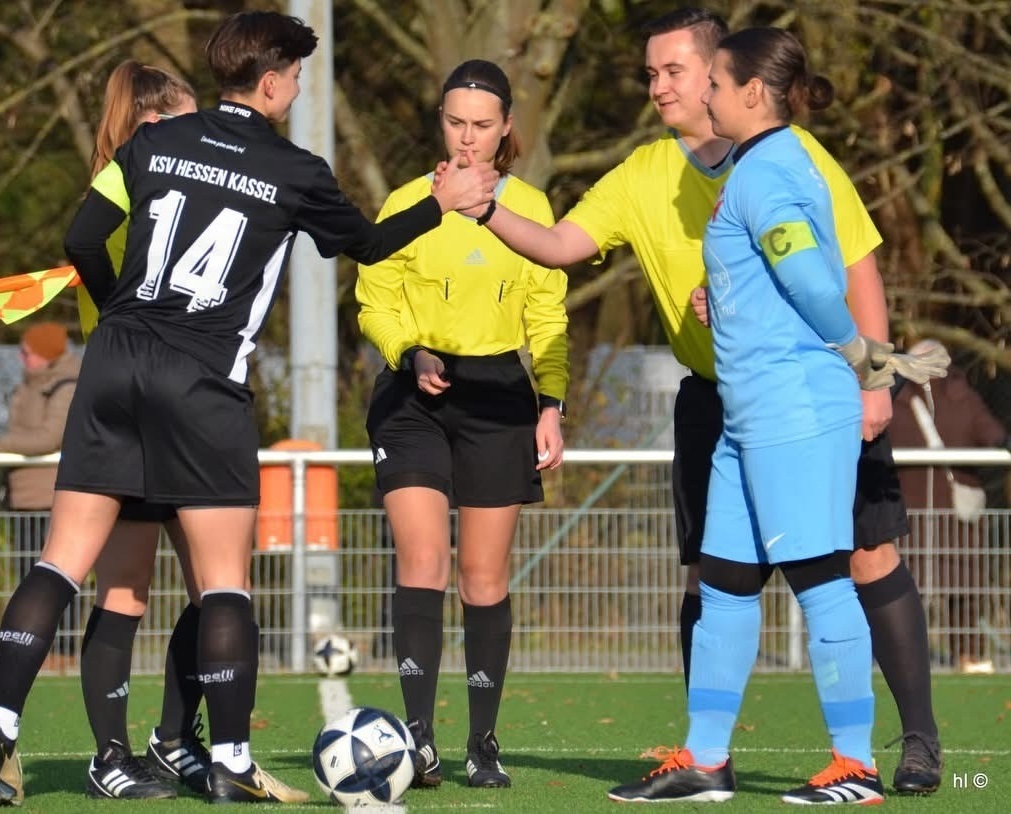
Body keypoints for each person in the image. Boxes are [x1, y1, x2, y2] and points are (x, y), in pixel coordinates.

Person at [0, 9, 496, 808]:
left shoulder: (151, 141)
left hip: (112, 365)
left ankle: (0, 722)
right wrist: (441, 200)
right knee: (223, 585)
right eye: (297, 77)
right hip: (200, 381)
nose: (298, 90)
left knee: (61, 561)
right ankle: (231, 760)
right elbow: (366, 244)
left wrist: (121, 319)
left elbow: (81, 238)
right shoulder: (293, 168)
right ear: (273, 82)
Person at [466, 7, 942, 795]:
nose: (677, 90)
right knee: (721, 580)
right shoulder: (737, 165)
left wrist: (863, 357)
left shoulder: (769, 168)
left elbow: (809, 272)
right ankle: (707, 759)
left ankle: (856, 763)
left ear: (746, 90)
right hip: (737, 413)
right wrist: (727, 298)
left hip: (792, 406)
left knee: (824, 576)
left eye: (700, 78)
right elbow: (767, 267)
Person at [356, 59, 568, 790]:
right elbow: (374, 300)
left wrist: (551, 402)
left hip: (498, 396)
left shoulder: (532, 207)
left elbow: (547, 316)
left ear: (506, 127)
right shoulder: (405, 202)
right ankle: (417, 738)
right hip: (410, 395)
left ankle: (482, 742)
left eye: (482, 124)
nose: (468, 137)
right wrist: (407, 350)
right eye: (455, 122)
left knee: (483, 575)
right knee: (423, 561)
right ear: (440, 123)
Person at [74, 60, 208, 800]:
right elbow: (84, 247)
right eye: (189, 121)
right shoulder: (130, 183)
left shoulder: (170, 183)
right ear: (155, 124)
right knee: (125, 591)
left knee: (213, 586)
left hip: (183, 404)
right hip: (132, 407)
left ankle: (173, 739)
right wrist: (120, 313)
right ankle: (111, 755)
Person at [889, 343, 1006, 674]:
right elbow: (994, 434)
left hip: (921, 514)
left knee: (921, 586)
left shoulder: (897, 398)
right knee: (959, 584)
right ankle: (966, 656)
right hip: (937, 516)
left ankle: (907, 654)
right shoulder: (960, 397)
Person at [0, 321, 82, 668]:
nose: (21, 358)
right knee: (28, 577)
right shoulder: (28, 385)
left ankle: (64, 651)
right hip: (23, 496)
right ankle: (33, 651)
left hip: (51, 497)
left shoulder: (66, 386)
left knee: (57, 580)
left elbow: (50, 437)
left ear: (46, 353)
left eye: (27, 352)